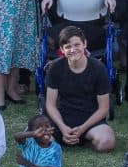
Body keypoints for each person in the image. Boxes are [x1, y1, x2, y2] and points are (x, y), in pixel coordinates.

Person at [44, 24, 115, 152]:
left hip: (90, 119)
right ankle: (64, 138)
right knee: (38, 138)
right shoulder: (55, 68)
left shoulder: (98, 68)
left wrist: (82, 129)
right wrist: (62, 127)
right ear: (62, 49)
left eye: (77, 45)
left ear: (84, 44)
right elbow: (50, 105)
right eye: (68, 47)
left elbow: (104, 108)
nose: (73, 50)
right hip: (63, 117)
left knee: (107, 142)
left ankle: (83, 140)